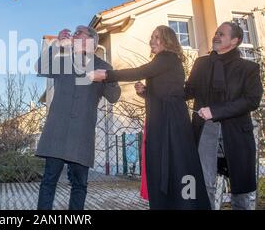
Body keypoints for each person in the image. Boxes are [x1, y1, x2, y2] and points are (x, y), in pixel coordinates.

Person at [90, 25, 210, 210]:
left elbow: (139, 72)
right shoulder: (166, 61)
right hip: (164, 118)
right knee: (166, 165)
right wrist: (146, 92)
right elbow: (167, 92)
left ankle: (186, 205)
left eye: (156, 37)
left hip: (170, 121)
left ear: (168, 41)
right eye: (151, 37)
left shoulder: (167, 58)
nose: (151, 41)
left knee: (176, 165)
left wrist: (107, 74)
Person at [35, 25, 121, 210]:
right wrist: (56, 44)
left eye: (78, 33)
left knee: (79, 185)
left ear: (91, 40)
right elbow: (40, 67)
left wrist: (106, 77)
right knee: (48, 181)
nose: (73, 35)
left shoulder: (103, 67)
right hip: (57, 132)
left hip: (81, 135)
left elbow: (114, 96)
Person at [185, 22, 263, 210]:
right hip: (205, 130)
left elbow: (252, 100)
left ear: (235, 41)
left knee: (241, 188)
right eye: (216, 32)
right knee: (204, 183)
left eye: (221, 34)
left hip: (236, 132)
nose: (216, 36)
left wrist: (216, 111)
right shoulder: (201, 64)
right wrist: (153, 90)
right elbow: (187, 91)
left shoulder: (249, 68)